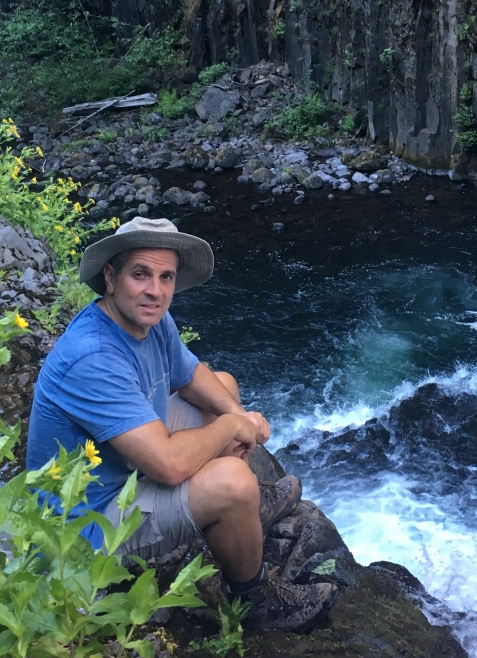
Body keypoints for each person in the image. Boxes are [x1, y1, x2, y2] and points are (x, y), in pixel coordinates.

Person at [26, 216, 337, 632]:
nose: (155, 290)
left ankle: (244, 516)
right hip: (85, 529)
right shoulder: (93, 356)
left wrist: (236, 414)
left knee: (224, 388)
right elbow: (169, 466)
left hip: (120, 466)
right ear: (111, 277)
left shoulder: (149, 320)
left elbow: (190, 376)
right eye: (140, 274)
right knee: (233, 483)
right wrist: (232, 428)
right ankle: (254, 599)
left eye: (166, 277)